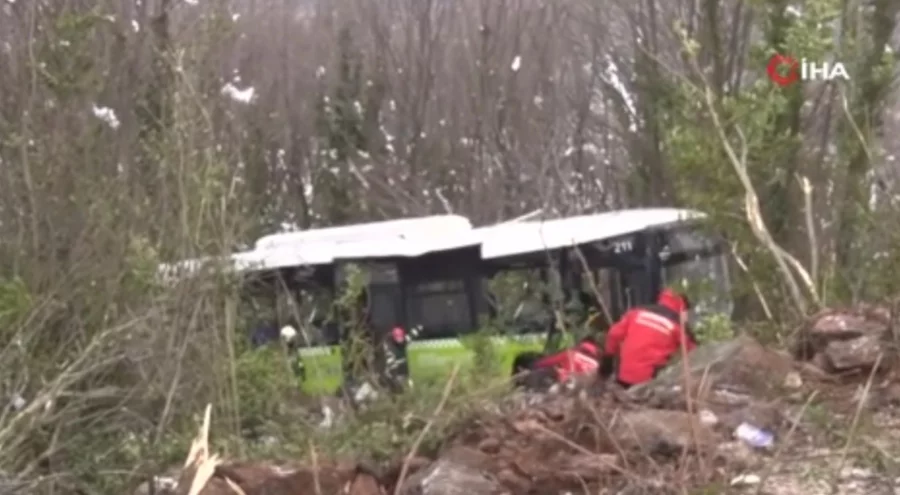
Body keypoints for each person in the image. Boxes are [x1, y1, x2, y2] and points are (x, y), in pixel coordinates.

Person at [600, 288, 696, 389]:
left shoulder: (637, 312)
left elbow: (613, 335)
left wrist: (608, 359)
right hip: (650, 382)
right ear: (683, 308)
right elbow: (696, 353)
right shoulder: (678, 325)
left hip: (624, 377)